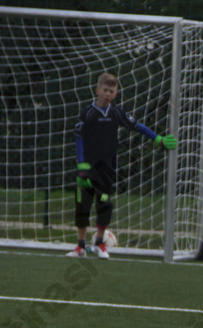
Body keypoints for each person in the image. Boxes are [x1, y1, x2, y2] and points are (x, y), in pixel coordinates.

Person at [68, 72, 177, 258]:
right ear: (97, 90)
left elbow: (138, 126)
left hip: (106, 170)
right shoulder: (88, 113)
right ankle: (80, 247)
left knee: (104, 205)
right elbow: (79, 137)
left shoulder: (117, 113)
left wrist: (158, 138)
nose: (108, 94)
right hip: (86, 170)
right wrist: (81, 165)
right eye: (105, 90)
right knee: (82, 206)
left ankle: (100, 243)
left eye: (112, 91)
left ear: (116, 94)